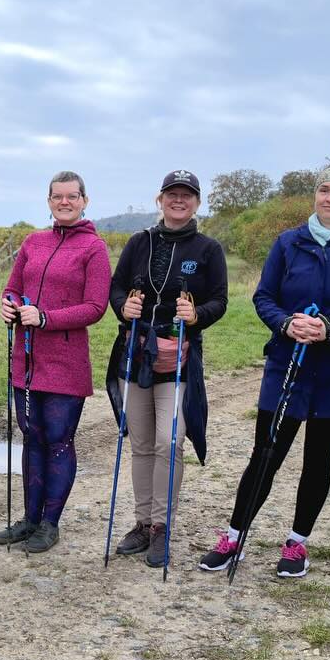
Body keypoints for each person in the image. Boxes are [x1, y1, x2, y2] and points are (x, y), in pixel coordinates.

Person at [201, 163, 330, 579]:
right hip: (287, 364)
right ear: (315, 195)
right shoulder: (288, 243)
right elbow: (264, 297)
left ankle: (297, 543)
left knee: (318, 458)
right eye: (324, 189)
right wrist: (286, 323)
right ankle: (234, 537)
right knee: (265, 453)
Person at [105, 169, 228, 567]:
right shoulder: (139, 242)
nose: (179, 200)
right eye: (172, 194)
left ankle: (161, 526)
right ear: (160, 199)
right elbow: (116, 287)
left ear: (197, 202)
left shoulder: (208, 249)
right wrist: (123, 306)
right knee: (140, 444)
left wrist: (197, 315)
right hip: (135, 355)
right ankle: (142, 523)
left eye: (186, 195)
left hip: (178, 359)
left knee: (169, 442)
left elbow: (220, 300)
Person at [0, 170, 112, 554]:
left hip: (65, 360)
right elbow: (13, 288)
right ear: (48, 201)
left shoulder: (94, 248)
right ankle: (29, 519)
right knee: (32, 437)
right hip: (26, 357)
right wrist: (10, 305)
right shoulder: (34, 241)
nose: (64, 202)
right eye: (57, 196)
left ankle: (50, 523)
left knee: (58, 440)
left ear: (84, 201)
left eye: (72, 196)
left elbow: (96, 307)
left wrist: (46, 318)